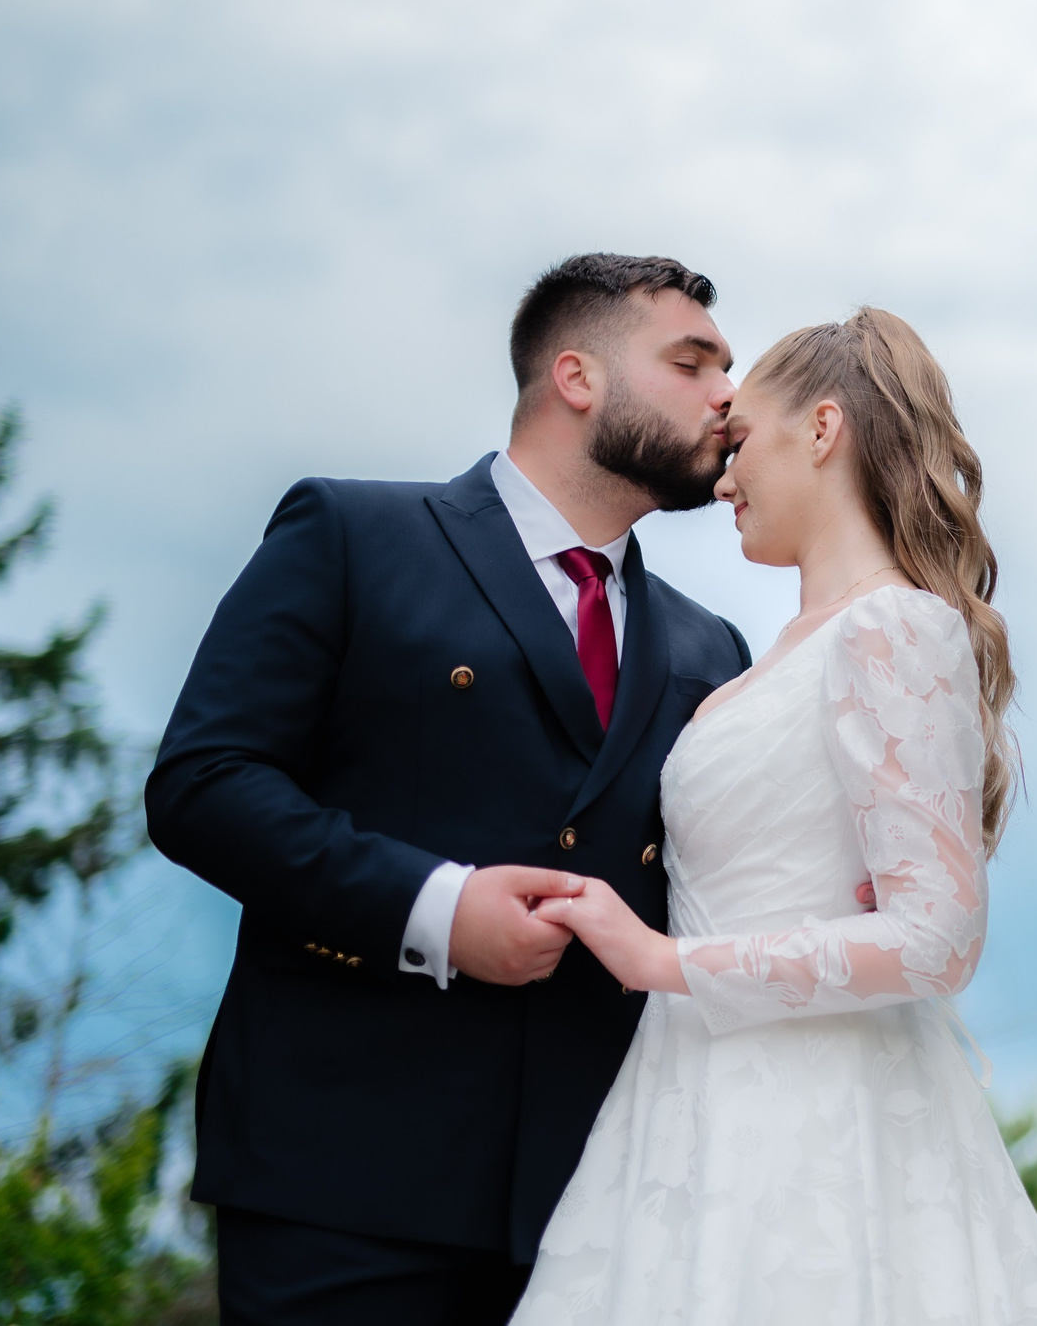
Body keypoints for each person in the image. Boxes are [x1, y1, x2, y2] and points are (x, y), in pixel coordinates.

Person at [148, 254, 759, 1325]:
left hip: (608, 1205)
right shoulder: (352, 535)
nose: (729, 395)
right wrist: (437, 907)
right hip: (345, 1179)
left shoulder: (715, 648)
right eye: (692, 362)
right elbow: (204, 783)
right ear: (576, 375)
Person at [509, 307, 1037, 1326]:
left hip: (819, 1116)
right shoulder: (762, 659)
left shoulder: (892, 625)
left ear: (823, 429)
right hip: (685, 1106)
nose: (722, 480)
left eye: (738, 443)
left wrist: (659, 959)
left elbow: (938, 937)